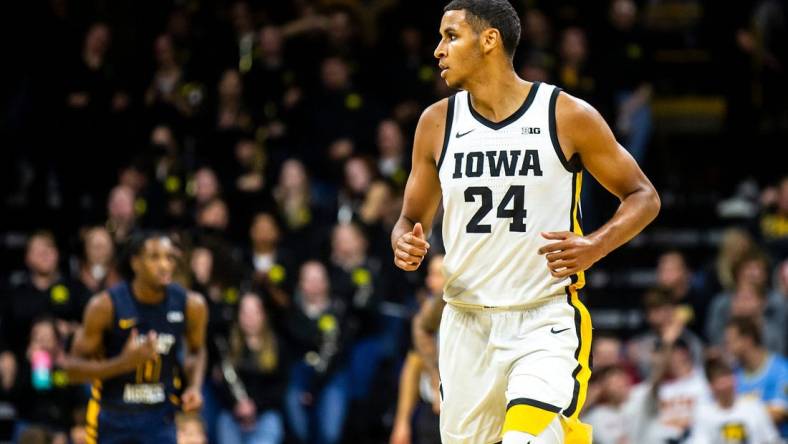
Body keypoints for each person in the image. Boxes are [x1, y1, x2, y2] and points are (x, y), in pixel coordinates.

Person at [391, 1, 660, 443]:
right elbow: (408, 219)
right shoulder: (436, 123)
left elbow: (643, 196)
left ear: (489, 40)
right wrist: (404, 242)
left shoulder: (564, 113)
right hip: (465, 325)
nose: (438, 50)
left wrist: (596, 245)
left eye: (451, 36)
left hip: (542, 321)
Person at [64, 232, 208, 444]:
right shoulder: (105, 306)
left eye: (169, 258)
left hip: (160, 418)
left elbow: (197, 349)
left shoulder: (191, 304)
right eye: (154, 257)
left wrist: (194, 386)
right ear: (135, 263)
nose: (164, 265)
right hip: (113, 416)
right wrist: (124, 363)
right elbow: (72, 371)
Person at [689, 356, 780, 444]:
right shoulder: (704, 413)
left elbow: (771, 439)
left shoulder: (754, 406)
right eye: (720, 380)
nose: (726, 384)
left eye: (728, 377)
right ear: (711, 386)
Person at [723, 316, 788, 437]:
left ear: (747, 340)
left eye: (731, 342)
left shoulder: (782, 370)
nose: (727, 348)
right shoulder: (732, 374)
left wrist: (735, 416)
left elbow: (777, 415)